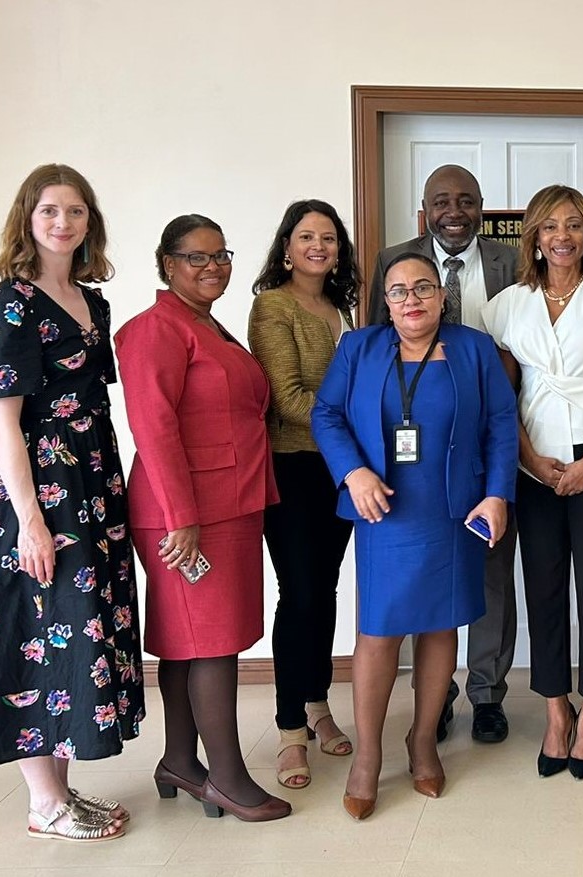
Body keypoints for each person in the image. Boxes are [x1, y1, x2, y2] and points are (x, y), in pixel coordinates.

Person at [0, 163, 140, 842]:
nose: (62, 222)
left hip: (94, 478)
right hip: (42, 488)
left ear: (88, 220)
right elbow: (3, 420)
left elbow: (96, 398)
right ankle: (43, 799)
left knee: (82, 627)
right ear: (26, 219)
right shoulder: (8, 302)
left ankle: (61, 789)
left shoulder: (91, 300)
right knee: (41, 632)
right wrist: (30, 520)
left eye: (74, 211)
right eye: (48, 211)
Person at [312, 253, 518, 818]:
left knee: (439, 626)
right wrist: (353, 472)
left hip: (453, 509)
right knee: (378, 632)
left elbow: (502, 422)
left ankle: (422, 740)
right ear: (385, 300)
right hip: (383, 508)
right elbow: (326, 414)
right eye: (399, 290)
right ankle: (368, 758)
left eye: (423, 287)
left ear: (442, 294)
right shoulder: (359, 347)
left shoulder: (473, 348)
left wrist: (497, 493)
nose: (412, 299)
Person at [116, 215, 289, 823]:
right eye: (197, 257)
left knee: (193, 644)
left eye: (221, 255)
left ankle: (181, 764)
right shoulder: (152, 330)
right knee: (211, 642)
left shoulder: (206, 325)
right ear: (167, 264)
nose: (213, 266)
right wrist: (179, 518)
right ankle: (227, 777)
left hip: (229, 504)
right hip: (185, 513)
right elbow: (153, 427)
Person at [481, 184, 583, 780]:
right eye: (550, 227)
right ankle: (555, 709)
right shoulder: (506, 306)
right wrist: (527, 457)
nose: (562, 237)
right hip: (534, 464)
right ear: (534, 237)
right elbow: (504, 396)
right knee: (543, 589)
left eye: (574, 225)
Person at [367, 164, 521, 744]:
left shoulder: (509, 261)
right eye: (441, 201)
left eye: (465, 200)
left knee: (491, 569)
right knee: (423, 578)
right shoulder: (396, 260)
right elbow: (379, 346)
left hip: (490, 430)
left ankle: (487, 692)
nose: (453, 211)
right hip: (413, 450)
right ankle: (438, 699)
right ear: (424, 208)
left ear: (481, 206)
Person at [247, 199, 359, 791]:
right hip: (293, 466)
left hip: (338, 471)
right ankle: (290, 729)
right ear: (286, 247)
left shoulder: (341, 307)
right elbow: (288, 397)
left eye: (329, 238)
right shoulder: (273, 306)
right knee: (300, 593)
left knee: (326, 589)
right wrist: (357, 433)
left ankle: (317, 703)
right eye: (307, 236)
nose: (320, 246)